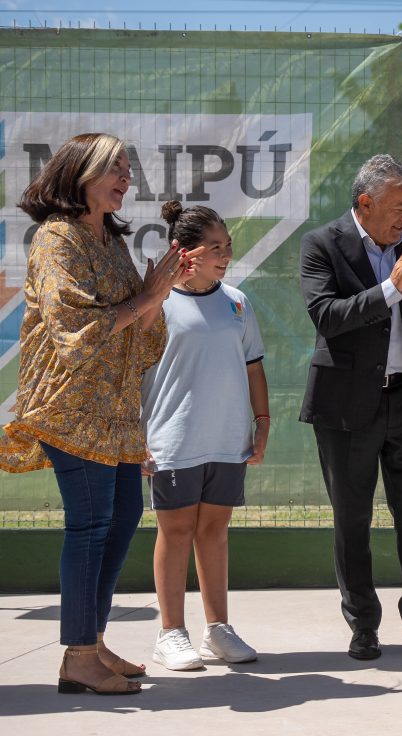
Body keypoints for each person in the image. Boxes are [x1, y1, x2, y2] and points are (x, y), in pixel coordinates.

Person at [0, 133, 195, 695]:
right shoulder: (56, 237)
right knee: (89, 524)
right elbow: (73, 328)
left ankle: (92, 641)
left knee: (123, 515)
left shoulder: (109, 239)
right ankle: (79, 656)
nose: (126, 178)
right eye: (115, 168)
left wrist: (161, 291)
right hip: (70, 404)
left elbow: (138, 328)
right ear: (80, 173)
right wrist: (146, 298)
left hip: (114, 407)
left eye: (128, 169)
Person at [299, 155, 402, 661]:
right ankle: (363, 625)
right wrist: (390, 289)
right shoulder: (322, 245)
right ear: (365, 203)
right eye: (397, 207)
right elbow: (327, 316)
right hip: (346, 406)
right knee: (353, 520)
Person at [140, 201, 270, 670]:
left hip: (228, 439)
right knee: (175, 531)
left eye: (227, 245)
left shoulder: (237, 302)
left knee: (214, 531)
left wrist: (262, 422)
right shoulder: (155, 303)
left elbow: (253, 367)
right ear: (185, 252)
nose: (226, 255)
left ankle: (218, 629)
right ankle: (170, 633)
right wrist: (136, 435)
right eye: (215, 247)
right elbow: (132, 371)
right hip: (171, 440)